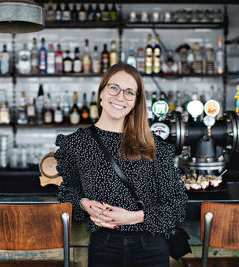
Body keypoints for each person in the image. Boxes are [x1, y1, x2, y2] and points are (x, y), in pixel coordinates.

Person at [55, 63, 187, 267]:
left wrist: (134, 217)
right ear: (101, 92)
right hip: (103, 246)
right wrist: (83, 204)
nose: (120, 97)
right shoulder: (75, 143)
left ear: (135, 102)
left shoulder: (154, 146)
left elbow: (176, 206)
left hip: (150, 247)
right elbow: (67, 191)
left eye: (129, 92)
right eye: (113, 88)